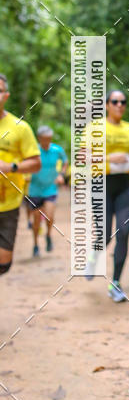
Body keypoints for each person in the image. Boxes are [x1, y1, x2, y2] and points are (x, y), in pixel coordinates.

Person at [84, 90, 129, 302]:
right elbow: (83, 155)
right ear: (107, 105)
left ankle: (115, 283)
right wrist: (109, 157)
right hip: (101, 185)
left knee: (124, 232)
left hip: (126, 185)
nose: (119, 105)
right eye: (115, 102)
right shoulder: (95, 128)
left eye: (123, 102)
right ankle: (94, 256)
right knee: (105, 234)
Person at [0, 73, 41, 275]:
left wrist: (11, 167)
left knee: (4, 262)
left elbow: (35, 163)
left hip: (8, 203)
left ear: (5, 95)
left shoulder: (20, 128)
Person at [27, 125, 68, 257]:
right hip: (35, 190)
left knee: (49, 216)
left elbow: (65, 161)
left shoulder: (57, 149)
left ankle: (48, 235)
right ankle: (35, 244)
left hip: (50, 189)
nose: (47, 141)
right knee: (36, 220)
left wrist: (61, 174)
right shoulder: (34, 150)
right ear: (39, 138)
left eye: (49, 139)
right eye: (45, 139)